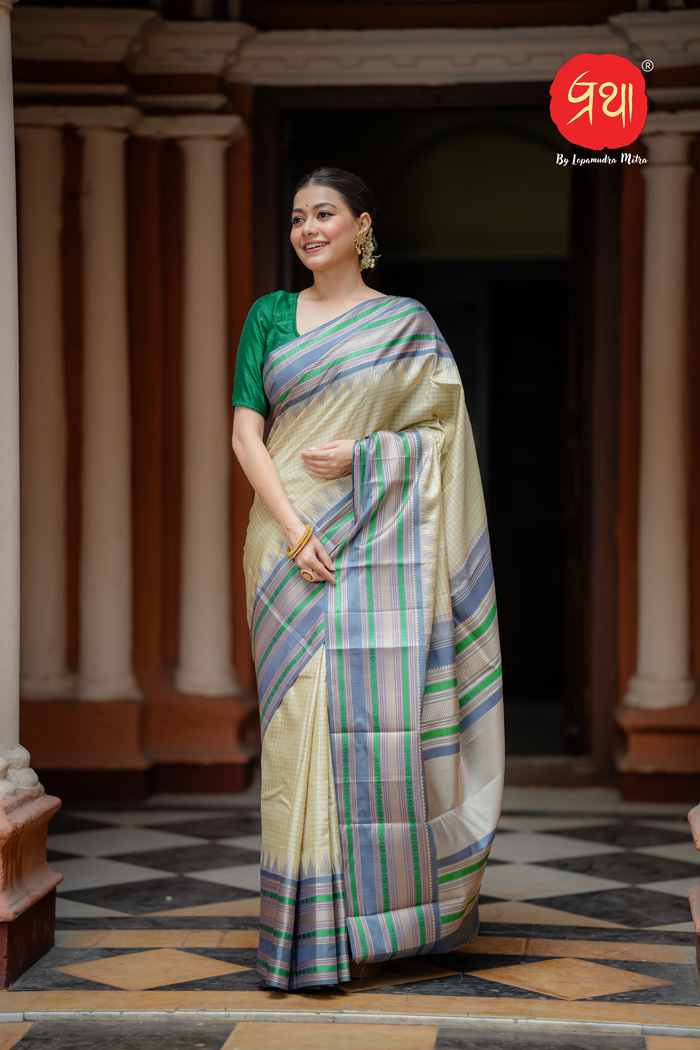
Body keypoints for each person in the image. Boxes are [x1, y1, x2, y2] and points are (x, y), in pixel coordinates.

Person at [231, 165, 505, 992]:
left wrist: (367, 456)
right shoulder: (271, 317)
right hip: (286, 544)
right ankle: (305, 932)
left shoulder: (406, 325)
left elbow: (444, 436)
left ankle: (374, 922)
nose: (308, 228)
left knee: (373, 724)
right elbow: (247, 436)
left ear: (362, 226)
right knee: (299, 727)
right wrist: (293, 526)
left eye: (323, 214)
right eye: (296, 217)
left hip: (378, 542)